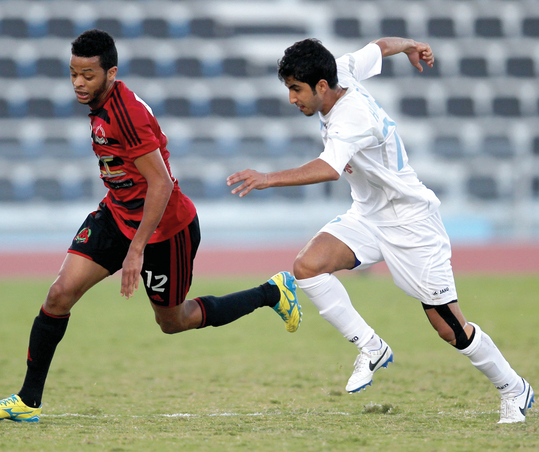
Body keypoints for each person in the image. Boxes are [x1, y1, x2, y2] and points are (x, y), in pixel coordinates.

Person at [0, 29, 301, 422]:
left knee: (173, 321)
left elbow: (161, 184)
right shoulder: (100, 103)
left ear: (110, 73)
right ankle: (27, 401)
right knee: (59, 295)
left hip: (166, 230)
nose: (79, 83)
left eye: (88, 75)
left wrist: (136, 250)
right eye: (73, 73)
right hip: (116, 215)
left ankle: (271, 292)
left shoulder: (125, 114)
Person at [227, 37, 534, 424]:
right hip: (369, 215)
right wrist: (410, 46)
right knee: (308, 266)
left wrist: (267, 178)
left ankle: (514, 389)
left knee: (449, 327)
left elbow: (329, 168)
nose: (292, 99)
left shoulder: (350, 117)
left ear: (322, 86)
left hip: (410, 222)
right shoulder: (341, 68)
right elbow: (379, 46)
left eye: (295, 89)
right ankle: (371, 346)